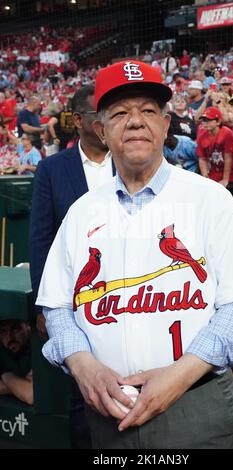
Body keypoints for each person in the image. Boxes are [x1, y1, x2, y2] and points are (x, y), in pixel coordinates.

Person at [36, 60, 233, 449]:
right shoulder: (82, 211)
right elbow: (56, 307)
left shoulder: (209, 198)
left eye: (147, 111)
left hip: (194, 404)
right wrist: (83, 365)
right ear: (102, 131)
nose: (136, 122)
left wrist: (179, 375)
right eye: (121, 113)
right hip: (107, 408)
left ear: (164, 124)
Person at [30, 84, 115, 449]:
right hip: (76, 300)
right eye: (102, 115)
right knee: (83, 396)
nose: (109, 123)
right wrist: (43, 303)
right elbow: (40, 240)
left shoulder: (130, 161)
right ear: (79, 120)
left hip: (128, 296)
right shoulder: (51, 169)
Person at [197, 107, 233, 201]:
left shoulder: (226, 133)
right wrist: (205, 178)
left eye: (208, 120)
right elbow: (202, 158)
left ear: (218, 121)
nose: (204, 123)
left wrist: (225, 180)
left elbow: (229, 158)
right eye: (203, 120)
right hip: (214, 173)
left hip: (231, 174)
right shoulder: (202, 135)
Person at [0, 319, 33, 405]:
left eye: (15, 329)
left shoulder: (38, 348)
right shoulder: (2, 350)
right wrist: (19, 386)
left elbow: (30, 394)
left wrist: (5, 376)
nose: (10, 337)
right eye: (3, 331)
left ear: (28, 328)